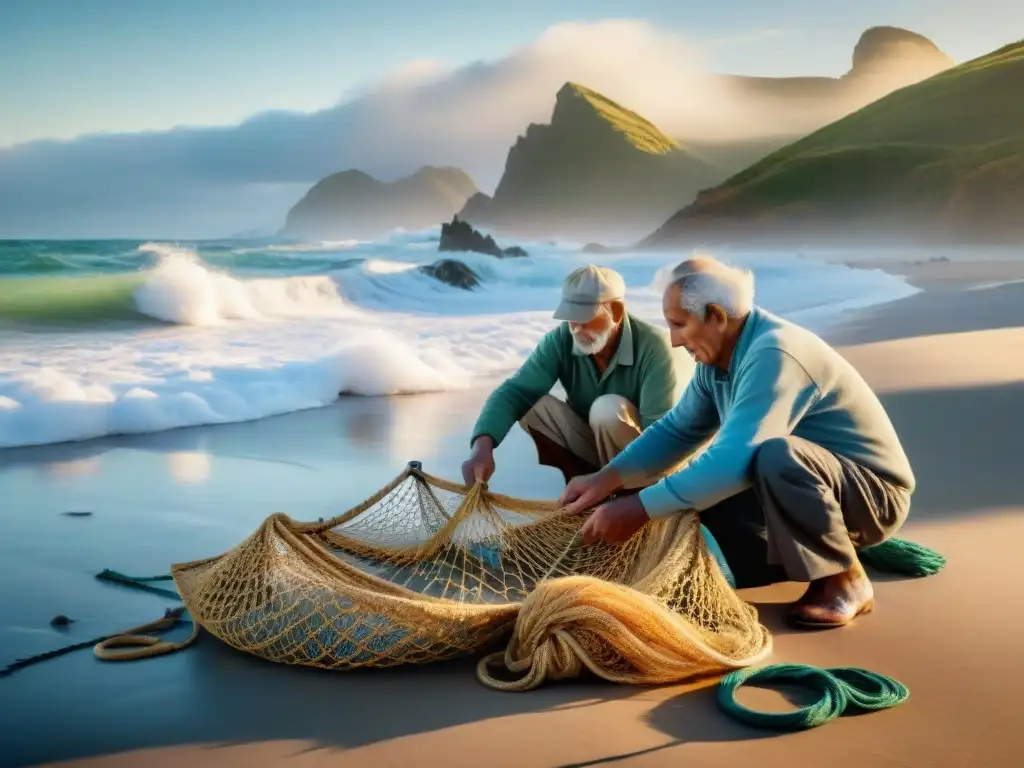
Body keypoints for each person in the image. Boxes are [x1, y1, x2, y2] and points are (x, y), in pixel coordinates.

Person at [559, 256, 916, 629]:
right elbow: (677, 431)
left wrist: (639, 508)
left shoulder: (773, 352)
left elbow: (732, 462)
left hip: (872, 497)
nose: (674, 340)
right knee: (705, 516)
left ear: (716, 316)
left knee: (777, 454)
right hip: (790, 489)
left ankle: (845, 579)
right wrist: (606, 477)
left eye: (680, 324)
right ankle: (798, 555)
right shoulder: (716, 363)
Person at [462, 265, 681, 488]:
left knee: (606, 409)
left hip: (655, 464)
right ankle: (578, 486)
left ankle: (617, 493)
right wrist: (482, 447)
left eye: (585, 318)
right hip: (598, 455)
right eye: (570, 317)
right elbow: (514, 392)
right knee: (532, 405)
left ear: (615, 311)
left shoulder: (655, 348)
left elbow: (662, 440)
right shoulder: (561, 340)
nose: (576, 327)